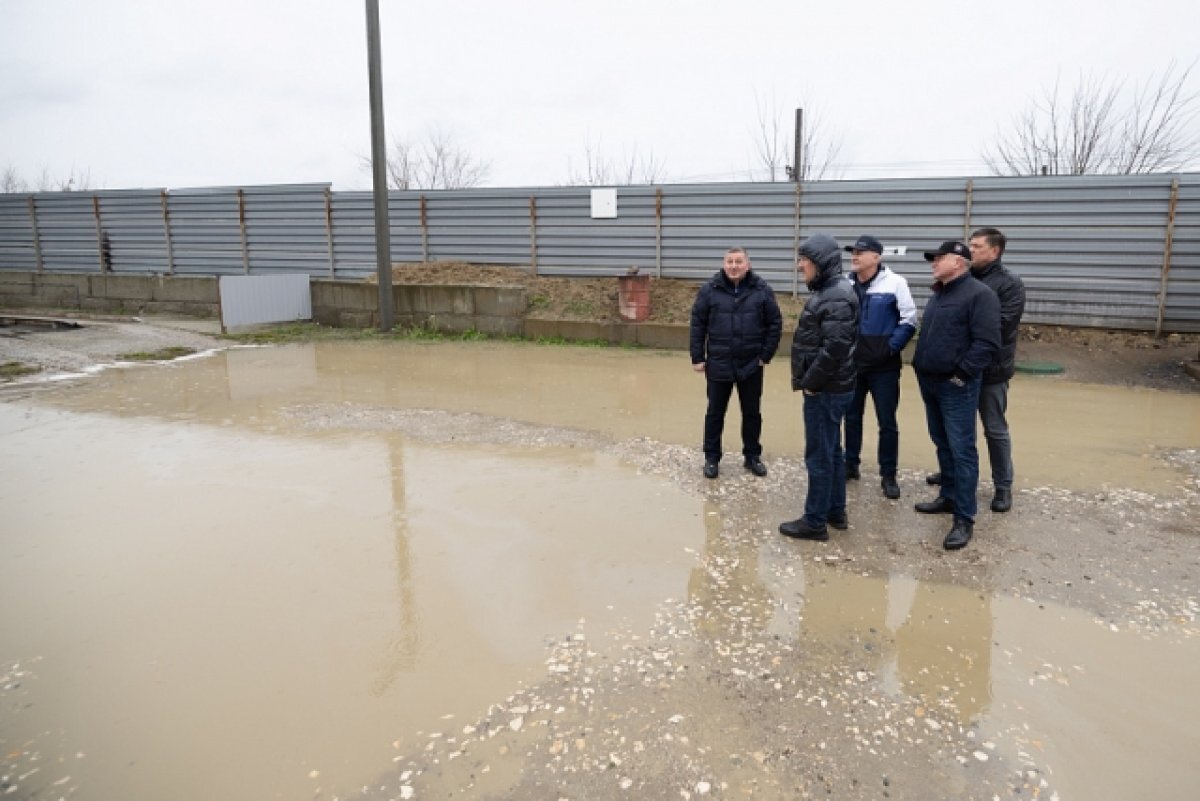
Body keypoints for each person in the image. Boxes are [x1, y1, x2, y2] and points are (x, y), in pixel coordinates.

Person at [926, 228, 1026, 513]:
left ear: (995, 251)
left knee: (994, 429)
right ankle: (952, 479)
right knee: (954, 430)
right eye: (969, 245)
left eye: (978, 246)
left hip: (990, 370)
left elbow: (999, 328)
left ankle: (1002, 485)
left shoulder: (1009, 284)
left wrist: (961, 354)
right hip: (956, 370)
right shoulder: (956, 281)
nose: (972, 250)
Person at [912, 241, 1001, 550]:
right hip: (930, 381)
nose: (933, 262)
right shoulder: (940, 292)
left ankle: (964, 517)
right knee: (943, 443)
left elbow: (987, 343)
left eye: (940, 258)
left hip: (955, 386)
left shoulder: (980, 295)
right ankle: (948, 497)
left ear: (959, 262)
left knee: (962, 449)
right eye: (933, 259)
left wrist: (960, 375)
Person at [779, 234, 859, 541]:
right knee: (831, 452)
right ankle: (835, 511)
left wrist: (811, 384)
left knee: (819, 455)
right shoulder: (833, 291)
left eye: (805, 260)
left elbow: (835, 346)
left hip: (826, 389)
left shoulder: (835, 295)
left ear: (821, 262)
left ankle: (814, 521)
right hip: (832, 387)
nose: (800, 266)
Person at [690, 247, 783, 479]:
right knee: (715, 413)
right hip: (719, 363)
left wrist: (765, 355)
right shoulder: (710, 290)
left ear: (747, 265)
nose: (734, 266)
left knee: (752, 413)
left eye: (738, 261)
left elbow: (775, 323)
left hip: (751, 364)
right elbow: (698, 324)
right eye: (730, 261)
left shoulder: (761, 290)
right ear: (724, 265)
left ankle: (752, 456)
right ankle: (711, 458)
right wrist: (698, 357)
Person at [841, 234, 917, 500]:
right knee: (851, 418)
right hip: (852, 365)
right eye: (853, 252)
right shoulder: (845, 283)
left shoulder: (896, 283)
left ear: (876, 257)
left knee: (887, 422)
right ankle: (850, 465)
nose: (855, 256)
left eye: (861, 252)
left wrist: (889, 349)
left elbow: (909, 321)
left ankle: (888, 474)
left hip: (884, 368)